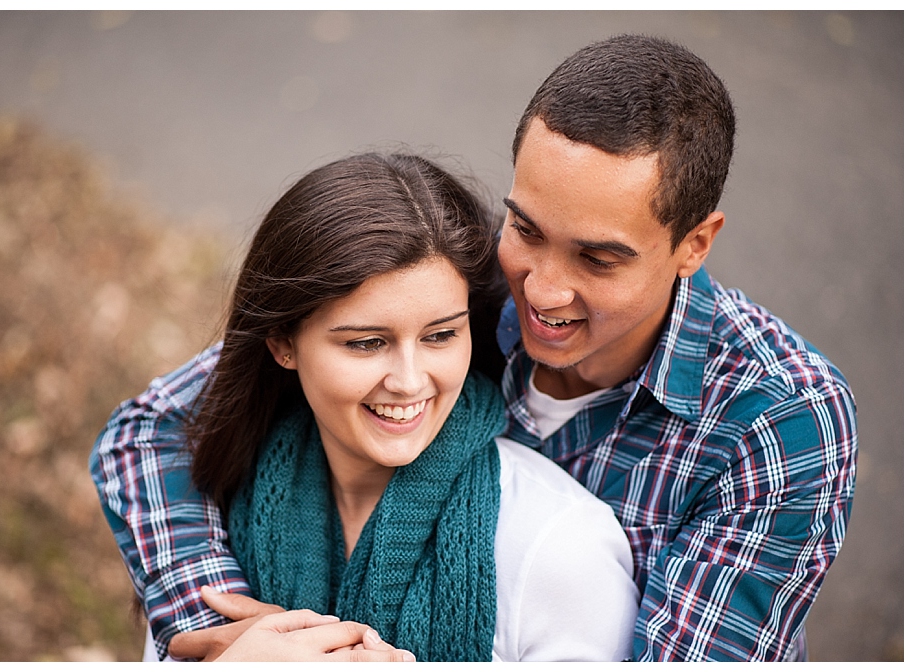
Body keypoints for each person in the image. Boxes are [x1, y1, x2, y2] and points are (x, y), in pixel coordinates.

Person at [91, 35, 858, 662]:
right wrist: (228, 631)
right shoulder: (454, 290)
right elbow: (154, 427)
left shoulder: (779, 422)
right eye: (526, 228)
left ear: (694, 244)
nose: (541, 290)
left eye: (597, 259)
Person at [92, 152, 638, 662]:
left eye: (441, 335)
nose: (407, 381)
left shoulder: (560, 551)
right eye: (365, 343)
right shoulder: (219, 504)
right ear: (283, 344)